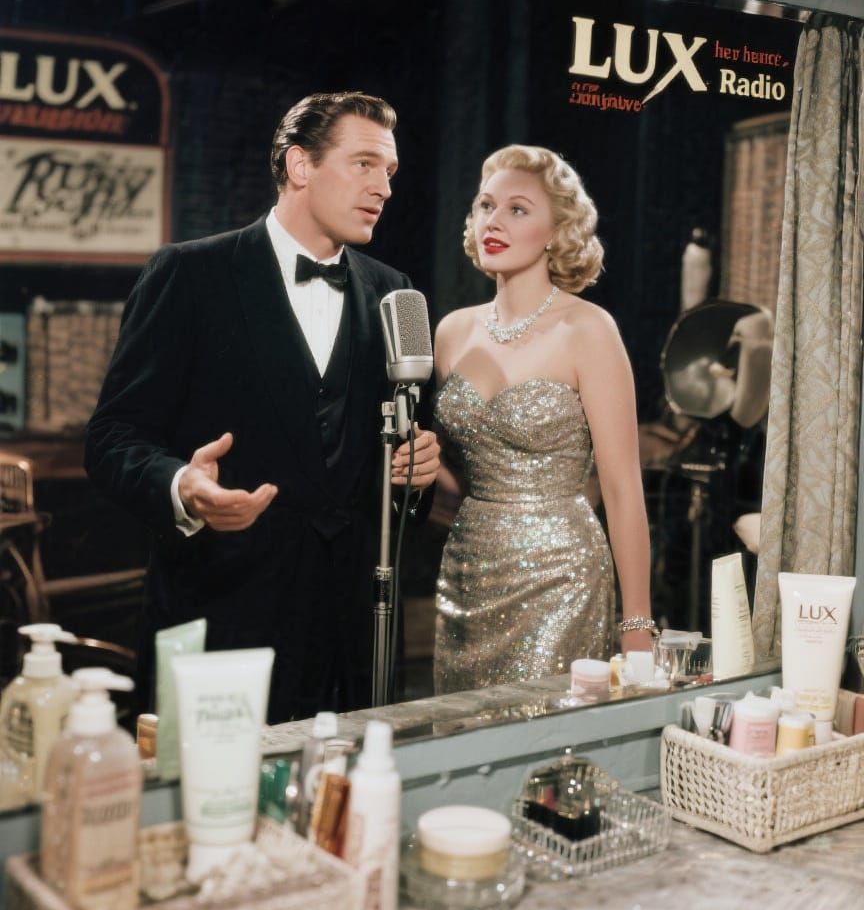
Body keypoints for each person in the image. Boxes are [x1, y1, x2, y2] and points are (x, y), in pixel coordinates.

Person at [85, 91, 440, 722]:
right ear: (301, 166)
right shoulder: (189, 274)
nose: (383, 188)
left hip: (352, 636)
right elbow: (113, 436)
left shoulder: (394, 293)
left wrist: (418, 470)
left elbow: (398, 465)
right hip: (223, 615)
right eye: (364, 164)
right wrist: (182, 485)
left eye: (389, 172)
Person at [432, 144, 653, 694]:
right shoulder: (451, 333)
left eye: (517, 209)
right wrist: (418, 468)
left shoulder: (588, 330)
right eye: (486, 206)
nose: (494, 221)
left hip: (562, 577)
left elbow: (622, 487)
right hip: (467, 575)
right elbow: (459, 480)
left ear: (557, 231)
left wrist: (637, 627)